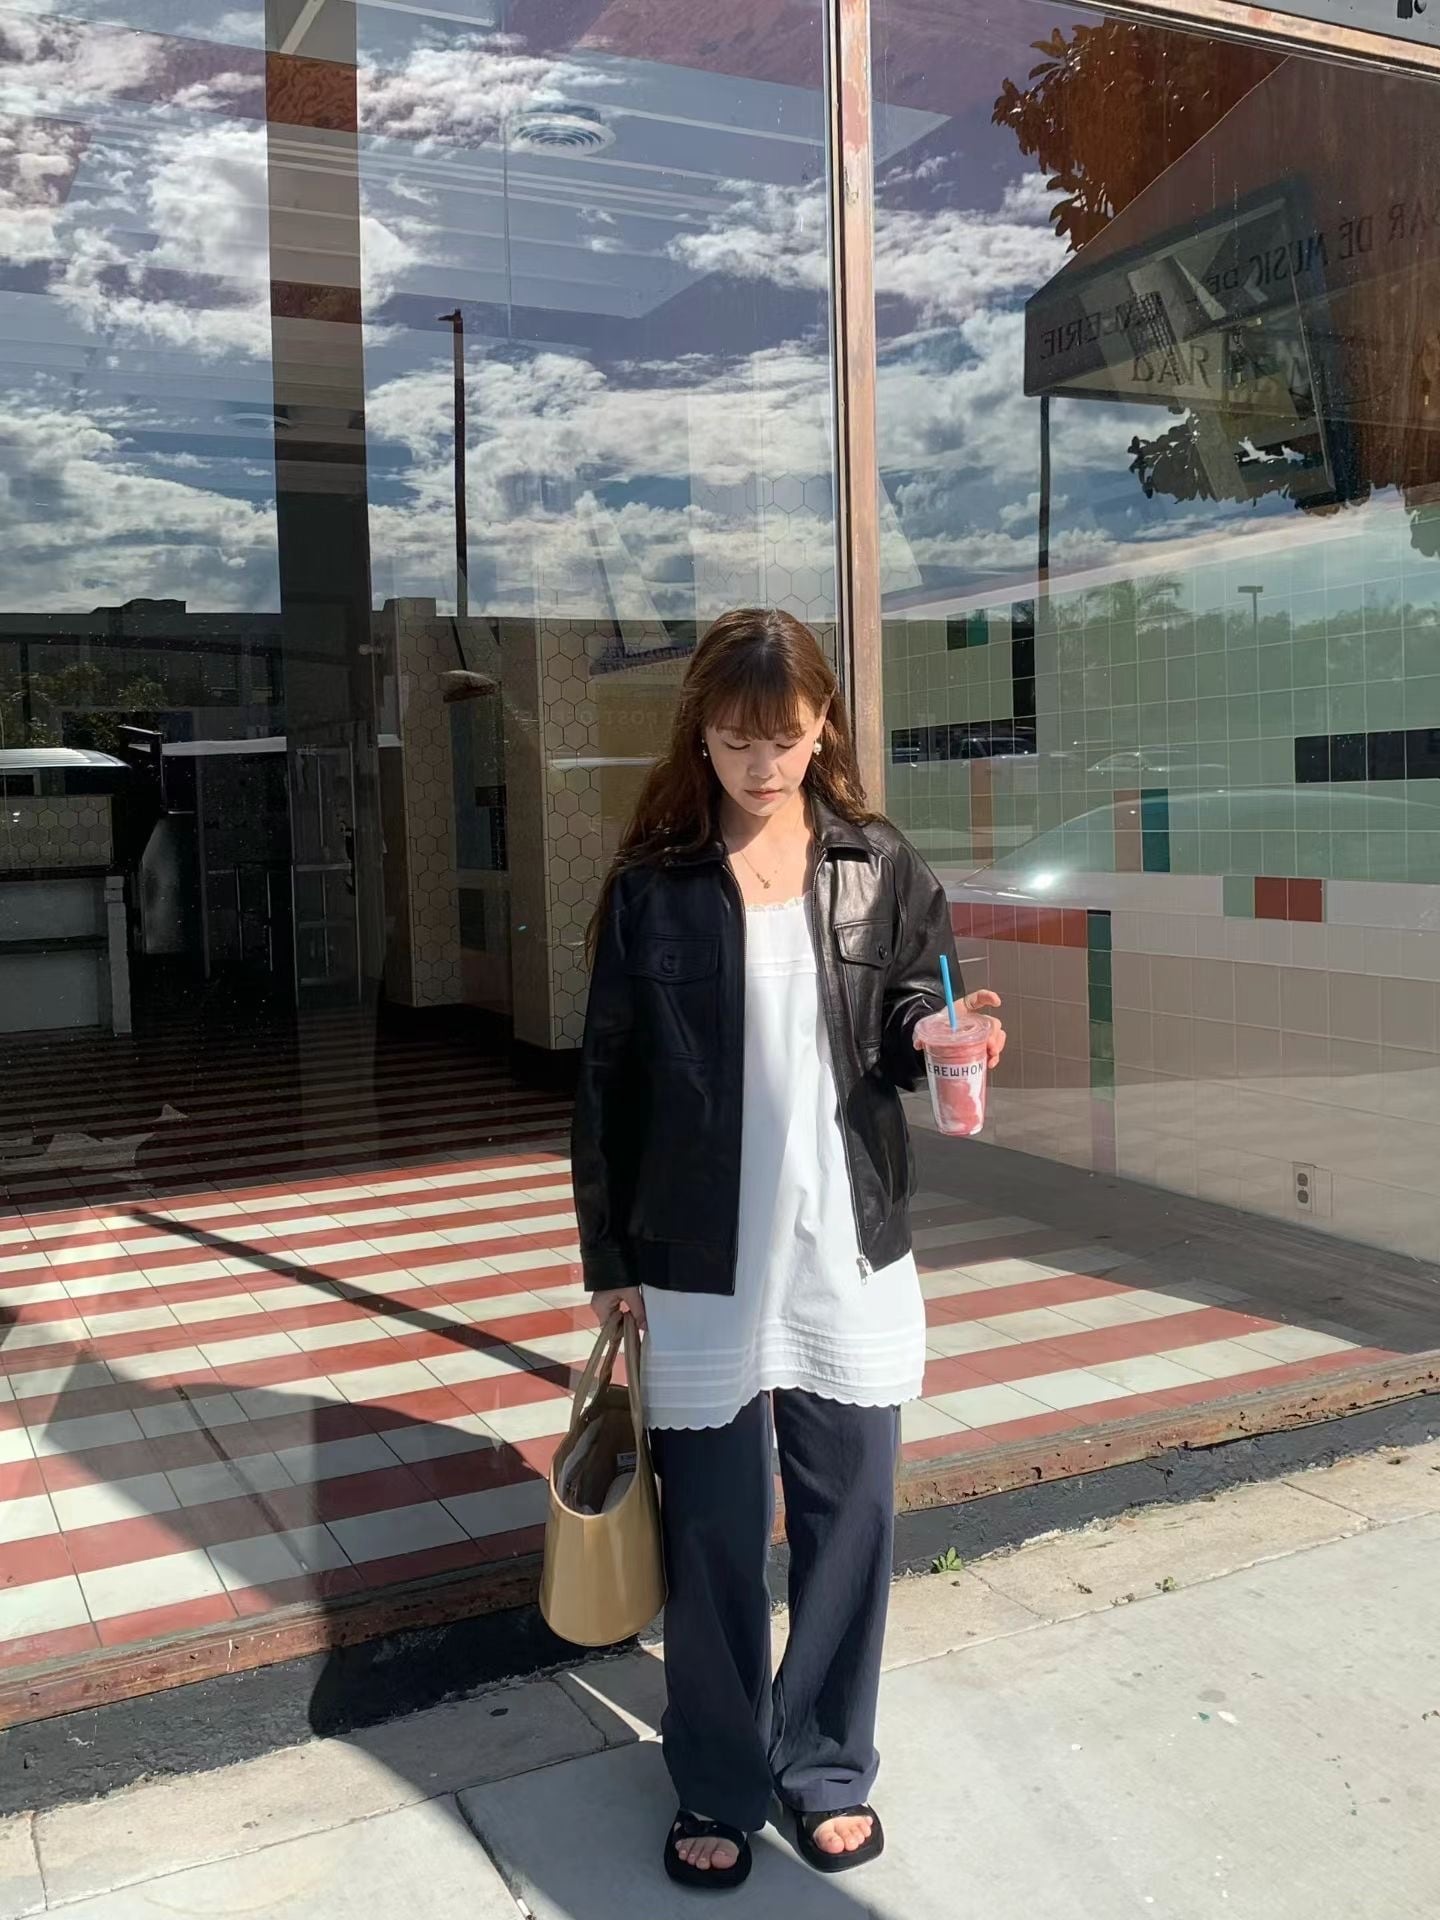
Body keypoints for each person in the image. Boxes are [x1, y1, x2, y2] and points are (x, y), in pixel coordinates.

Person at [572, 608, 1005, 1892]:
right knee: (712, 1530)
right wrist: (610, 1258)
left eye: (787, 735)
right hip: (698, 1259)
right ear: (700, 737)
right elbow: (606, 1085)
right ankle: (716, 1776)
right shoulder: (651, 887)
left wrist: (939, 1036)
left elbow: (916, 1003)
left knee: (849, 1516)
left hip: (845, 1245)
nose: (764, 763)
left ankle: (824, 1765)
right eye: (738, 738)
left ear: (824, 729)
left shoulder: (880, 863)